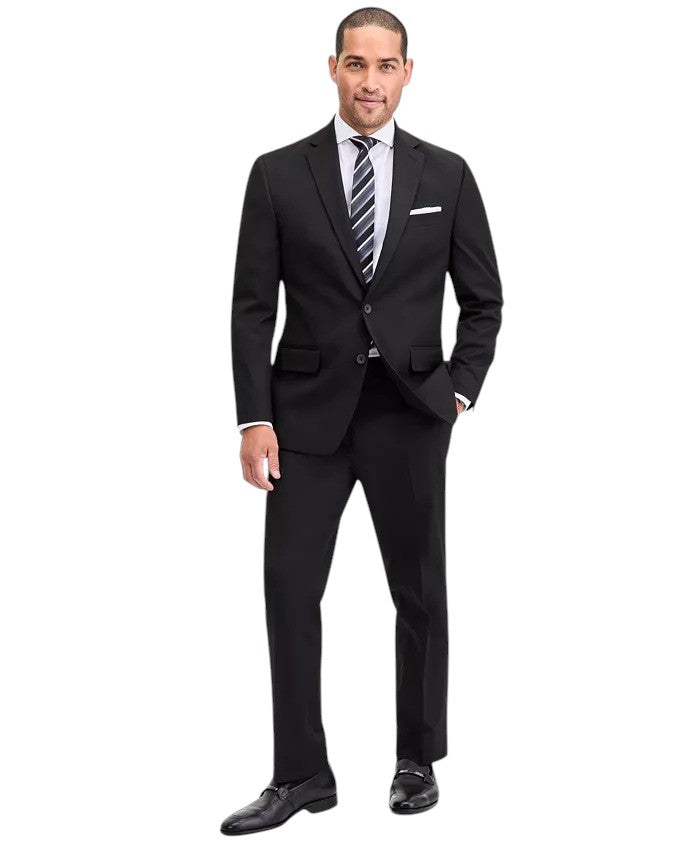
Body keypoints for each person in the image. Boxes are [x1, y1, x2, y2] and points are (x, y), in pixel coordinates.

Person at [221, 6, 503, 835]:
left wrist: (458, 390)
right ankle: (300, 773)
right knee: (288, 588)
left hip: (410, 413)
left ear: (408, 73)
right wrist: (253, 416)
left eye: (385, 66)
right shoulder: (277, 174)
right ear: (333, 69)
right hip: (303, 418)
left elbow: (483, 300)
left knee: (419, 590)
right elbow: (251, 308)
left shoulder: (447, 174)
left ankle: (417, 757)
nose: (370, 81)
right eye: (356, 63)